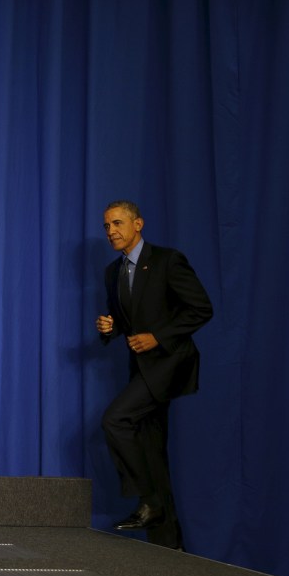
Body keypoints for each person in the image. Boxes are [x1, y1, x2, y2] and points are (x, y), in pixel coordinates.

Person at [96, 200, 212, 550]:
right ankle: (170, 550)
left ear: (138, 224)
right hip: (142, 370)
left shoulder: (167, 261)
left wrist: (157, 336)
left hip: (168, 364)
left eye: (117, 224)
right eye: (106, 227)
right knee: (152, 453)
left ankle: (150, 500)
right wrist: (109, 328)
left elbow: (202, 309)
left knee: (115, 420)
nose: (111, 231)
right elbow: (126, 321)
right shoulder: (112, 272)